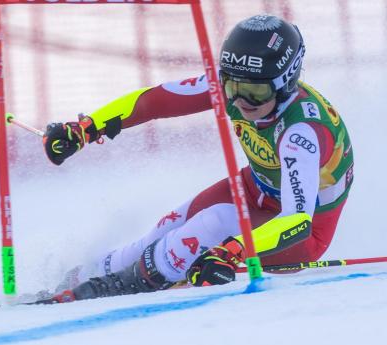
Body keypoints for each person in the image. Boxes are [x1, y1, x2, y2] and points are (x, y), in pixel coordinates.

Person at [41, 15, 354, 302]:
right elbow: (155, 101)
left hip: (298, 235)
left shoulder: (301, 133)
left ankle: (126, 285)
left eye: (255, 92)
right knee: (164, 229)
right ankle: (82, 278)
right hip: (254, 189)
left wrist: (233, 251)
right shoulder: (241, 85)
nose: (242, 101)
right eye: (232, 86)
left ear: (284, 82)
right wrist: (86, 128)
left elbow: (297, 220)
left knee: (210, 223)